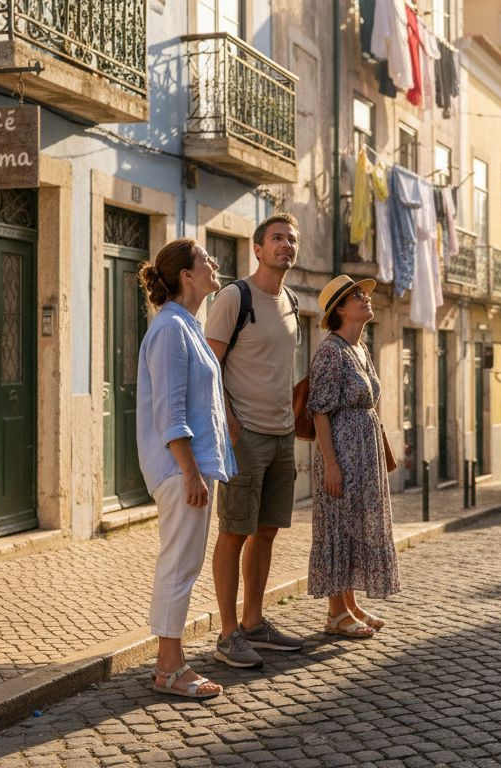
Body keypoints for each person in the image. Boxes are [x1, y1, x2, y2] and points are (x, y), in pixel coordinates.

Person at [204, 213, 306, 669]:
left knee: (266, 532)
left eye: (292, 239)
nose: (286, 245)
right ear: (258, 248)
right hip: (245, 435)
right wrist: (228, 422)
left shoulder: (292, 301)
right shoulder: (234, 297)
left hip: (283, 435)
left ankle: (254, 622)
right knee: (234, 532)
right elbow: (209, 369)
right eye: (278, 238)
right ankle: (227, 635)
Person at [137, 238, 236, 699]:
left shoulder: (188, 325)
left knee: (184, 563)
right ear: (187, 276)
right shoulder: (172, 329)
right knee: (178, 565)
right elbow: (169, 411)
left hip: (192, 467)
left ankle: (169, 663)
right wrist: (191, 471)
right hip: (181, 471)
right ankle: (170, 667)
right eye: (205, 259)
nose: (214, 263)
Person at [307, 275, 400, 638]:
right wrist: (331, 463)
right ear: (340, 309)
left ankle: (350, 604)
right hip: (342, 451)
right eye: (357, 296)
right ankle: (334, 613)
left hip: (365, 449)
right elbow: (319, 410)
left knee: (356, 525)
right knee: (337, 526)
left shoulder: (360, 348)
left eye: (364, 294)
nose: (366, 299)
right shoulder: (330, 350)